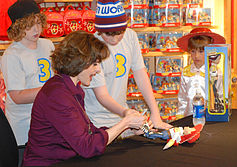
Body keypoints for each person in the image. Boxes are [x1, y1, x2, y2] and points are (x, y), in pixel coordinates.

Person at [22, 31, 148, 167]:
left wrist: (128, 129)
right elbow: (87, 147)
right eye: (95, 64)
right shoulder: (58, 95)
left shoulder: (68, 87)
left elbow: (88, 131)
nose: (98, 70)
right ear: (79, 62)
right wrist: (125, 123)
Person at [83, 0, 172, 134]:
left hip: (122, 117)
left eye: (120, 33)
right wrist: (126, 113)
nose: (114, 39)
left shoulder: (130, 36)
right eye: (108, 34)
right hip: (96, 120)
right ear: (99, 30)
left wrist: (155, 113)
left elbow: (141, 75)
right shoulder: (91, 46)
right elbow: (102, 95)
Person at [1, 0, 54, 146]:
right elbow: (17, 96)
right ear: (18, 28)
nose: (36, 29)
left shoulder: (48, 45)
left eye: (38, 23)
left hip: (48, 119)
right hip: (24, 125)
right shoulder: (12, 55)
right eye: (29, 26)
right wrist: (53, 89)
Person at [176, 27, 226, 117]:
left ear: (209, 51)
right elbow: (182, 98)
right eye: (193, 51)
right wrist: (180, 115)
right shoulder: (186, 72)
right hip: (189, 117)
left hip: (209, 117)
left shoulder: (215, 72)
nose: (196, 56)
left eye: (201, 51)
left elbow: (221, 95)